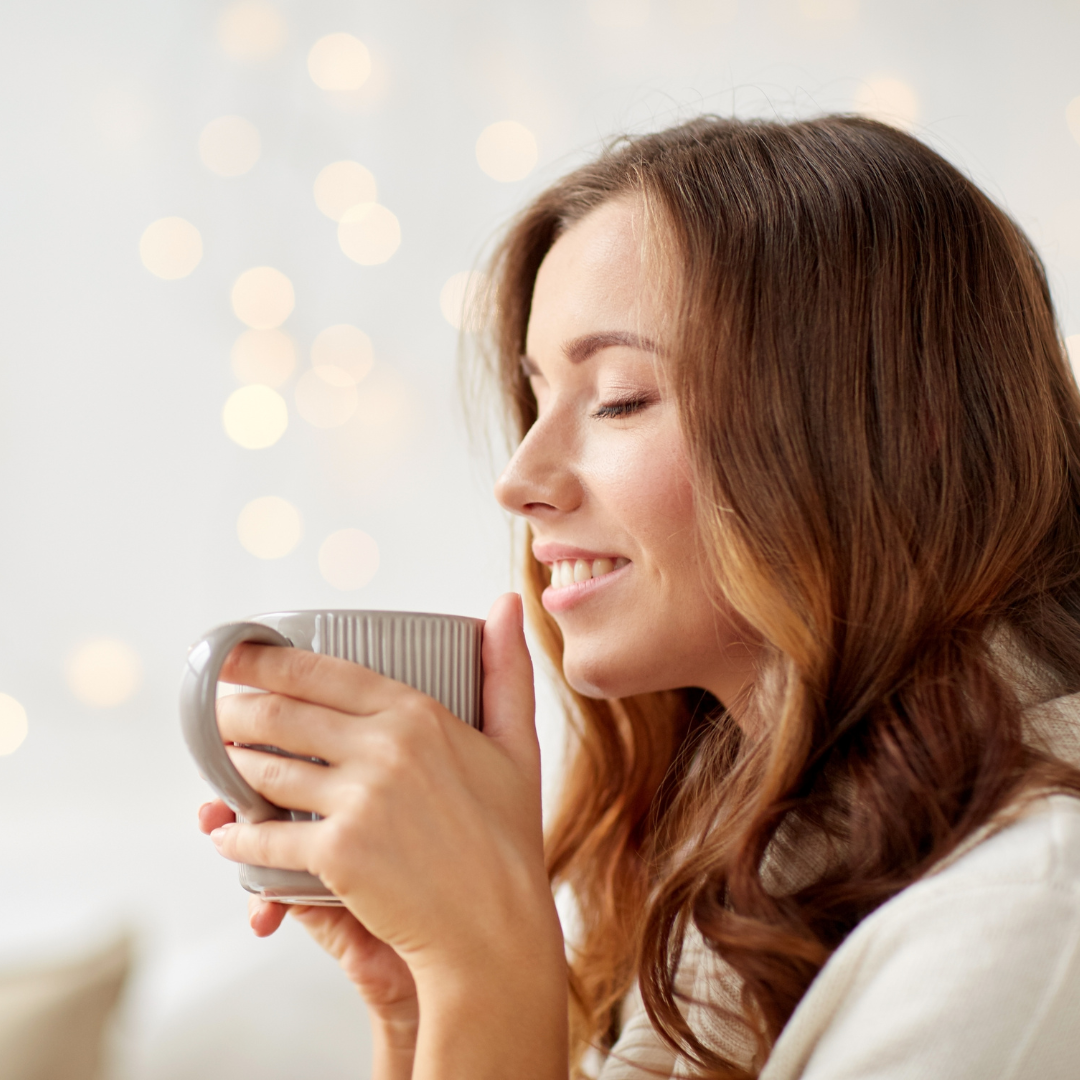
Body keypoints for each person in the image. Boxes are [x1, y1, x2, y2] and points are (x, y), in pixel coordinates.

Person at [197, 115, 1080, 1079]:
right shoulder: (729, 881)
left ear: (908, 425)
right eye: (535, 401)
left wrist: (489, 972)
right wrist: (428, 1013)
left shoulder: (1024, 915)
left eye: (618, 397)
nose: (520, 476)